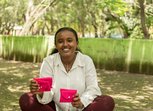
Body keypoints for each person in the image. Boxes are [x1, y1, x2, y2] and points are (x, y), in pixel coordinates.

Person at [19, 27, 115, 111]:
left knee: (107, 102)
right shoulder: (48, 61)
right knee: (26, 99)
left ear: (76, 43)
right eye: (60, 41)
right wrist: (41, 93)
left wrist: (81, 101)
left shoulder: (86, 61)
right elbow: (47, 93)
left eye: (69, 40)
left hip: (83, 108)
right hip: (54, 107)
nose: (65, 44)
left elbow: (93, 88)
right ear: (56, 45)